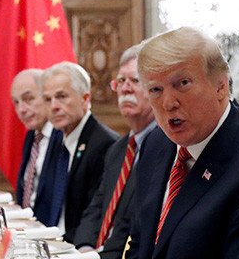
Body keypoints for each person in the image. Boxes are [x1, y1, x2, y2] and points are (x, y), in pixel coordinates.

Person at [125, 27, 239, 258]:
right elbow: (140, 243)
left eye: (182, 83)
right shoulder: (155, 143)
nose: (168, 103)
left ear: (221, 86)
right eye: (155, 89)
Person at [74, 45, 156, 258]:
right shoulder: (117, 149)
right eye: (120, 81)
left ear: (155, 89)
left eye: (135, 80)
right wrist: (84, 248)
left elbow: (135, 223)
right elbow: (96, 208)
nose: (125, 89)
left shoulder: (165, 149)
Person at [40, 61, 118, 243]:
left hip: (78, 245)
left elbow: (95, 217)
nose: (54, 106)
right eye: (48, 99)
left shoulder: (105, 144)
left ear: (85, 99)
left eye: (61, 96)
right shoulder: (57, 138)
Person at [11, 68, 62, 225]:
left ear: (47, 97)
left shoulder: (63, 137)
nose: (21, 109)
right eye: (16, 102)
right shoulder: (31, 136)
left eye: (28, 99)